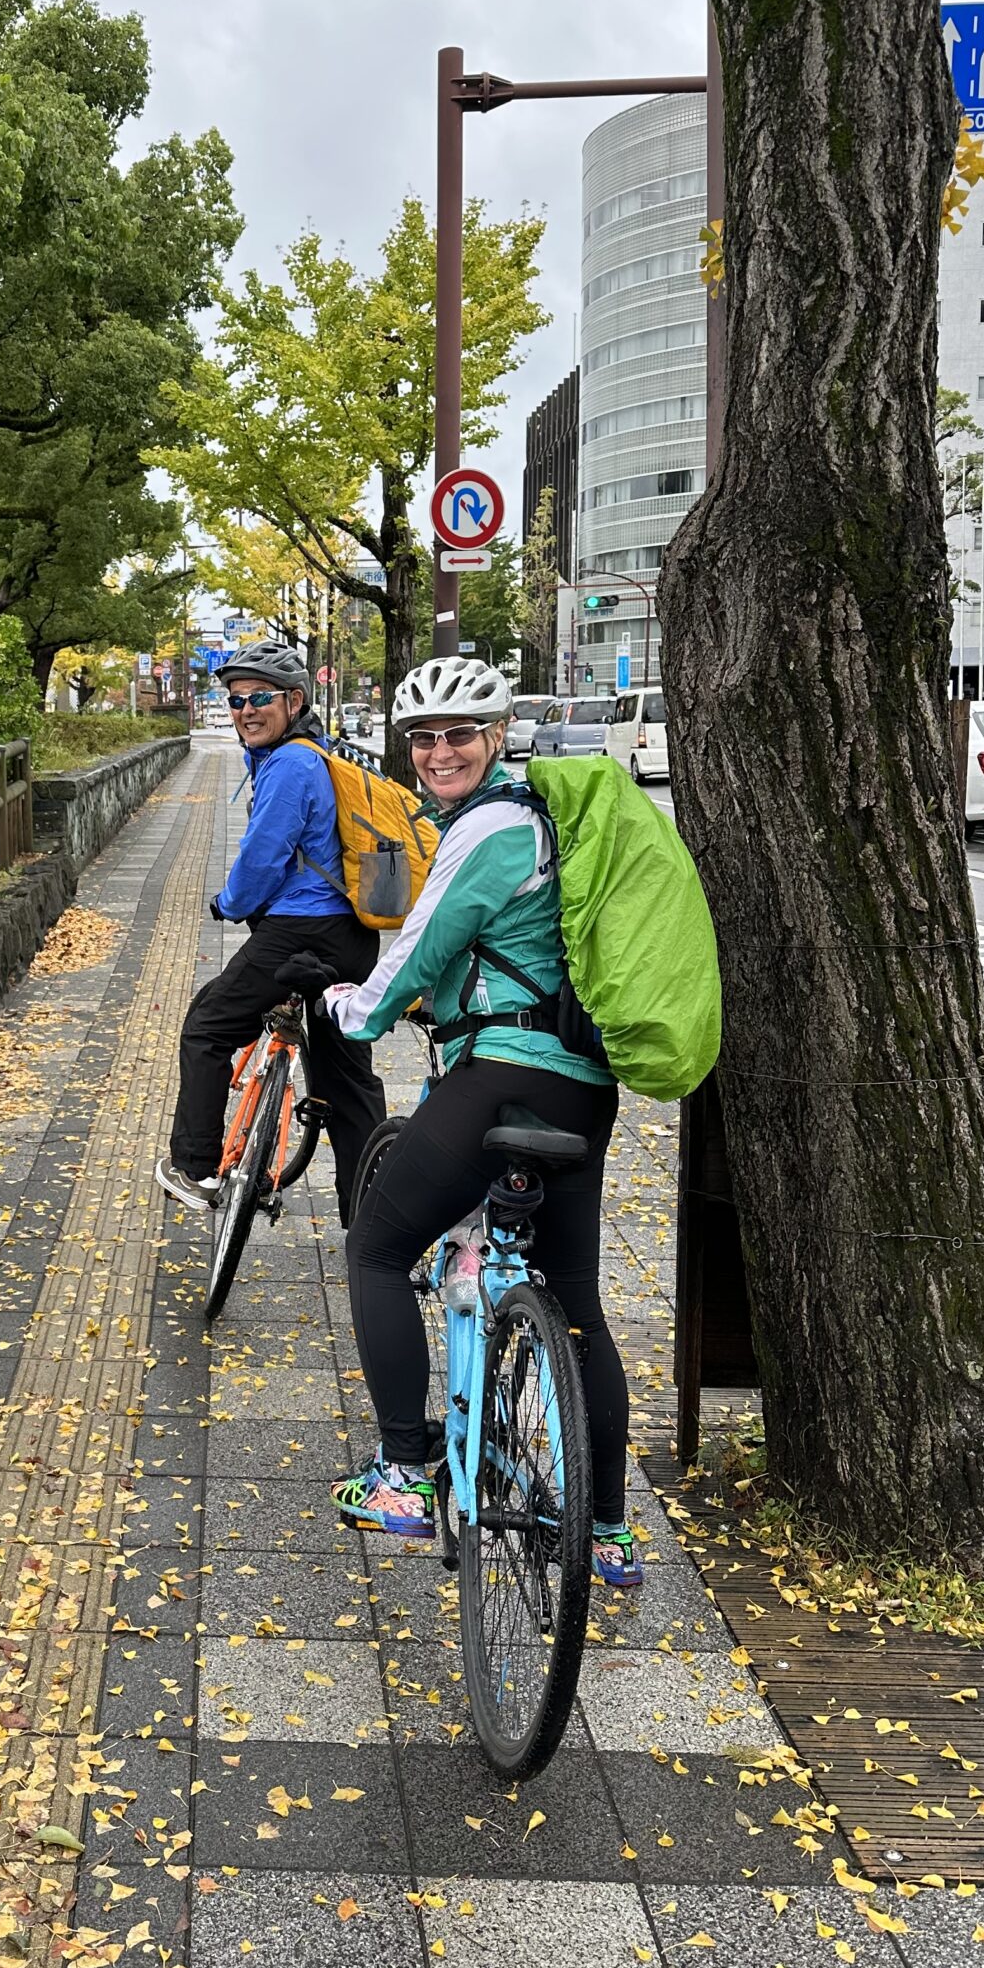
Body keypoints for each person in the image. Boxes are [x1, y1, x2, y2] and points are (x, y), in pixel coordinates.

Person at [318, 654, 644, 1589]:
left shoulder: (491, 828)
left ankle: (403, 1477)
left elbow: (419, 950)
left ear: (498, 736)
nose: (439, 751)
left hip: (503, 1076)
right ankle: (607, 1534)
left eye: (460, 733)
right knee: (575, 1303)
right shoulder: (546, 823)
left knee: (378, 1247)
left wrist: (357, 1011)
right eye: (423, 737)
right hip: (582, 1085)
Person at [156, 639, 385, 1226]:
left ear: (295, 701)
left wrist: (228, 902)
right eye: (235, 701)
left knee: (207, 1026)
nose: (246, 710)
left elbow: (263, 858)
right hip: (351, 934)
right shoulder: (315, 753)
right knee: (346, 1080)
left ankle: (196, 1166)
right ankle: (370, 1219)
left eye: (260, 698)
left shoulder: (289, 764)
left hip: (298, 934)